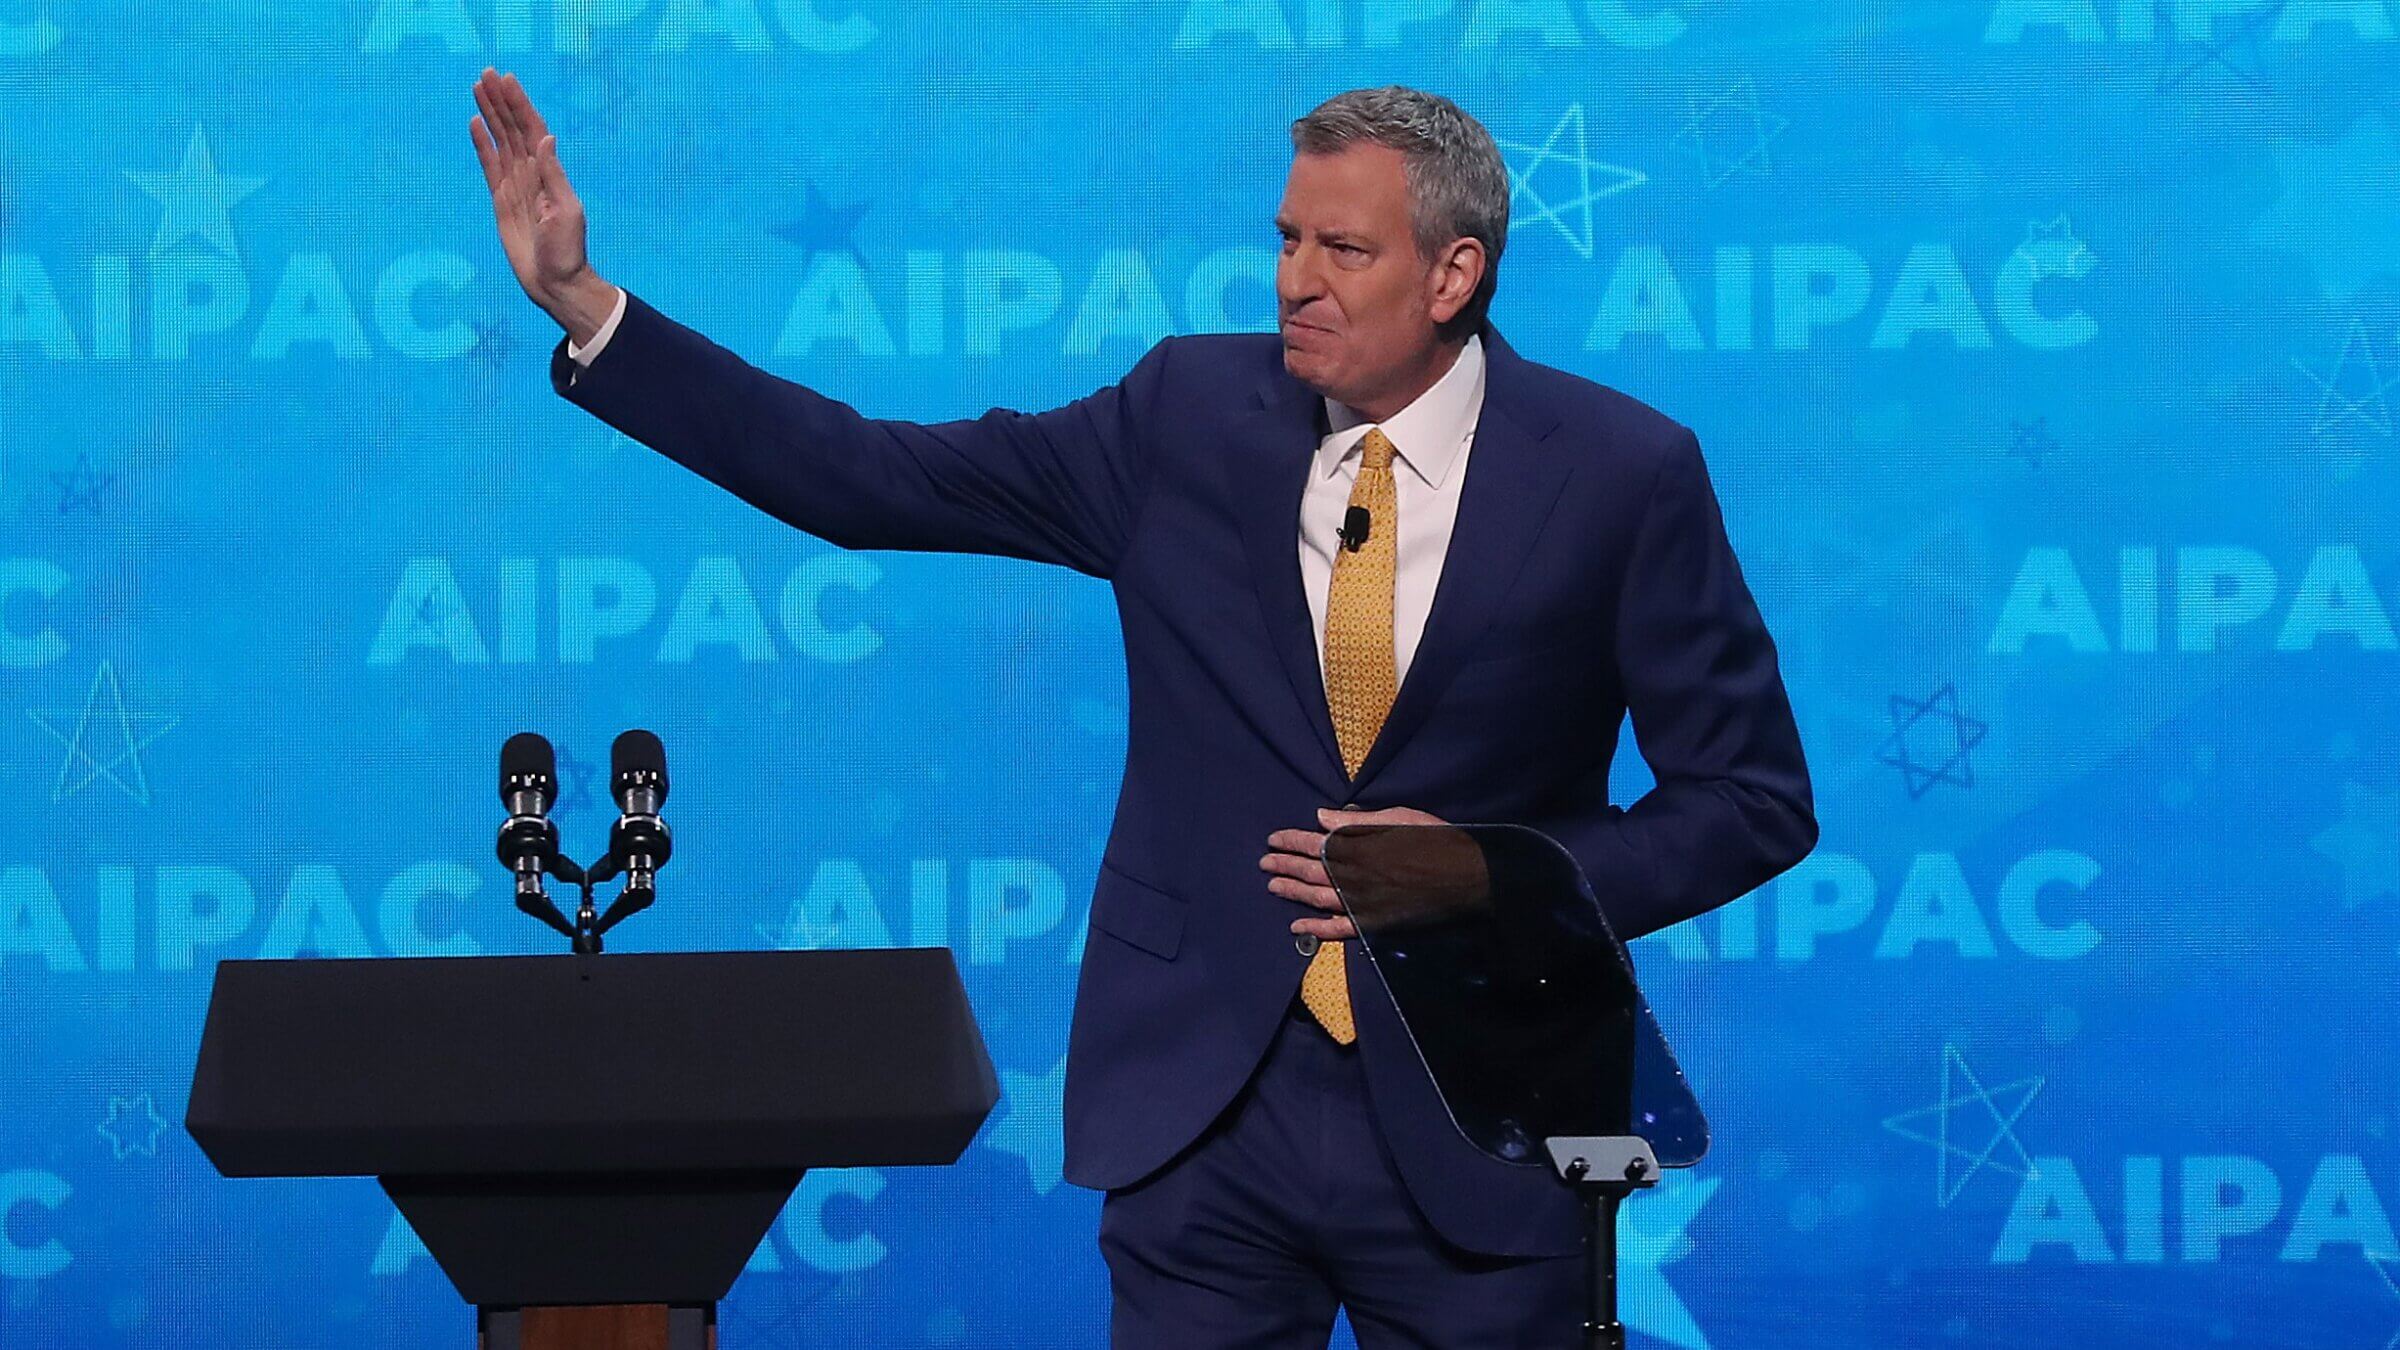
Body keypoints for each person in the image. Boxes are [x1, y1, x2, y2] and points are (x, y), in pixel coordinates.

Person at [471, 70, 1817, 1348]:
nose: (1294, 279)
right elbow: (870, 476)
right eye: (1287, 238)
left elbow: (1752, 801)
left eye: (1342, 250)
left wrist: (1494, 875)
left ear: (1455, 273)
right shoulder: (1183, 415)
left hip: (1483, 1116)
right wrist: (589, 304)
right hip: (1207, 1113)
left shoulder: (1622, 473)